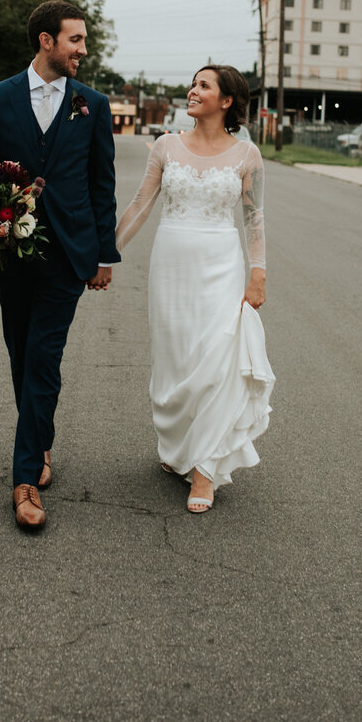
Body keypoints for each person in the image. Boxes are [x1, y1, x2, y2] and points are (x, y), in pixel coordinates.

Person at [0, 0, 120, 531]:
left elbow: (102, 183)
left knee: (44, 356)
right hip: (10, 252)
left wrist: (105, 253)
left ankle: (25, 477)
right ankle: (40, 442)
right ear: (46, 42)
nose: (84, 49)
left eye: (83, 40)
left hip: (68, 253)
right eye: (75, 40)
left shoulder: (92, 105)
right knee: (20, 350)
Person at [115, 65, 273, 514]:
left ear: (226, 101)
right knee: (175, 361)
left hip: (221, 266)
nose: (192, 90)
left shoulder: (247, 155)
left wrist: (257, 272)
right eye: (193, 83)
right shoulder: (166, 146)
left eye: (204, 85)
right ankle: (180, 447)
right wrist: (106, 254)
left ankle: (205, 469)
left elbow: (254, 219)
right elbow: (141, 204)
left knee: (216, 361)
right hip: (170, 268)